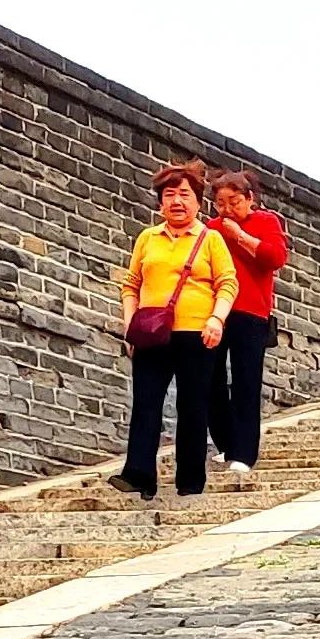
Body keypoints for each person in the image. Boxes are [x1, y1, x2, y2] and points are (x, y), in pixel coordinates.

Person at [116, 163, 236, 498]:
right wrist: (130, 323)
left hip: (197, 333)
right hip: (152, 333)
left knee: (193, 406)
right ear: (160, 203)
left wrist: (217, 319)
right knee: (146, 404)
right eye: (169, 195)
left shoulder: (210, 239)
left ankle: (190, 481)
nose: (177, 202)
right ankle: (139, 474)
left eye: (184, 195)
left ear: (198, 202)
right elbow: (131, 285)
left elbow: (228, 283)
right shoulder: (147, 238)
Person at [210, 167, 291, 470]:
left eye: (234, 201)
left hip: (251, 312)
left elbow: (275, 258)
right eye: (221, 203)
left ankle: (243, 453)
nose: (228, 209)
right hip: (216, 312)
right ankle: (226, 443)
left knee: (245, 381)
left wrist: (241, 237)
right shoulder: (211, 229)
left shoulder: (266, 221)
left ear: (249, 198)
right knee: (210, 380)